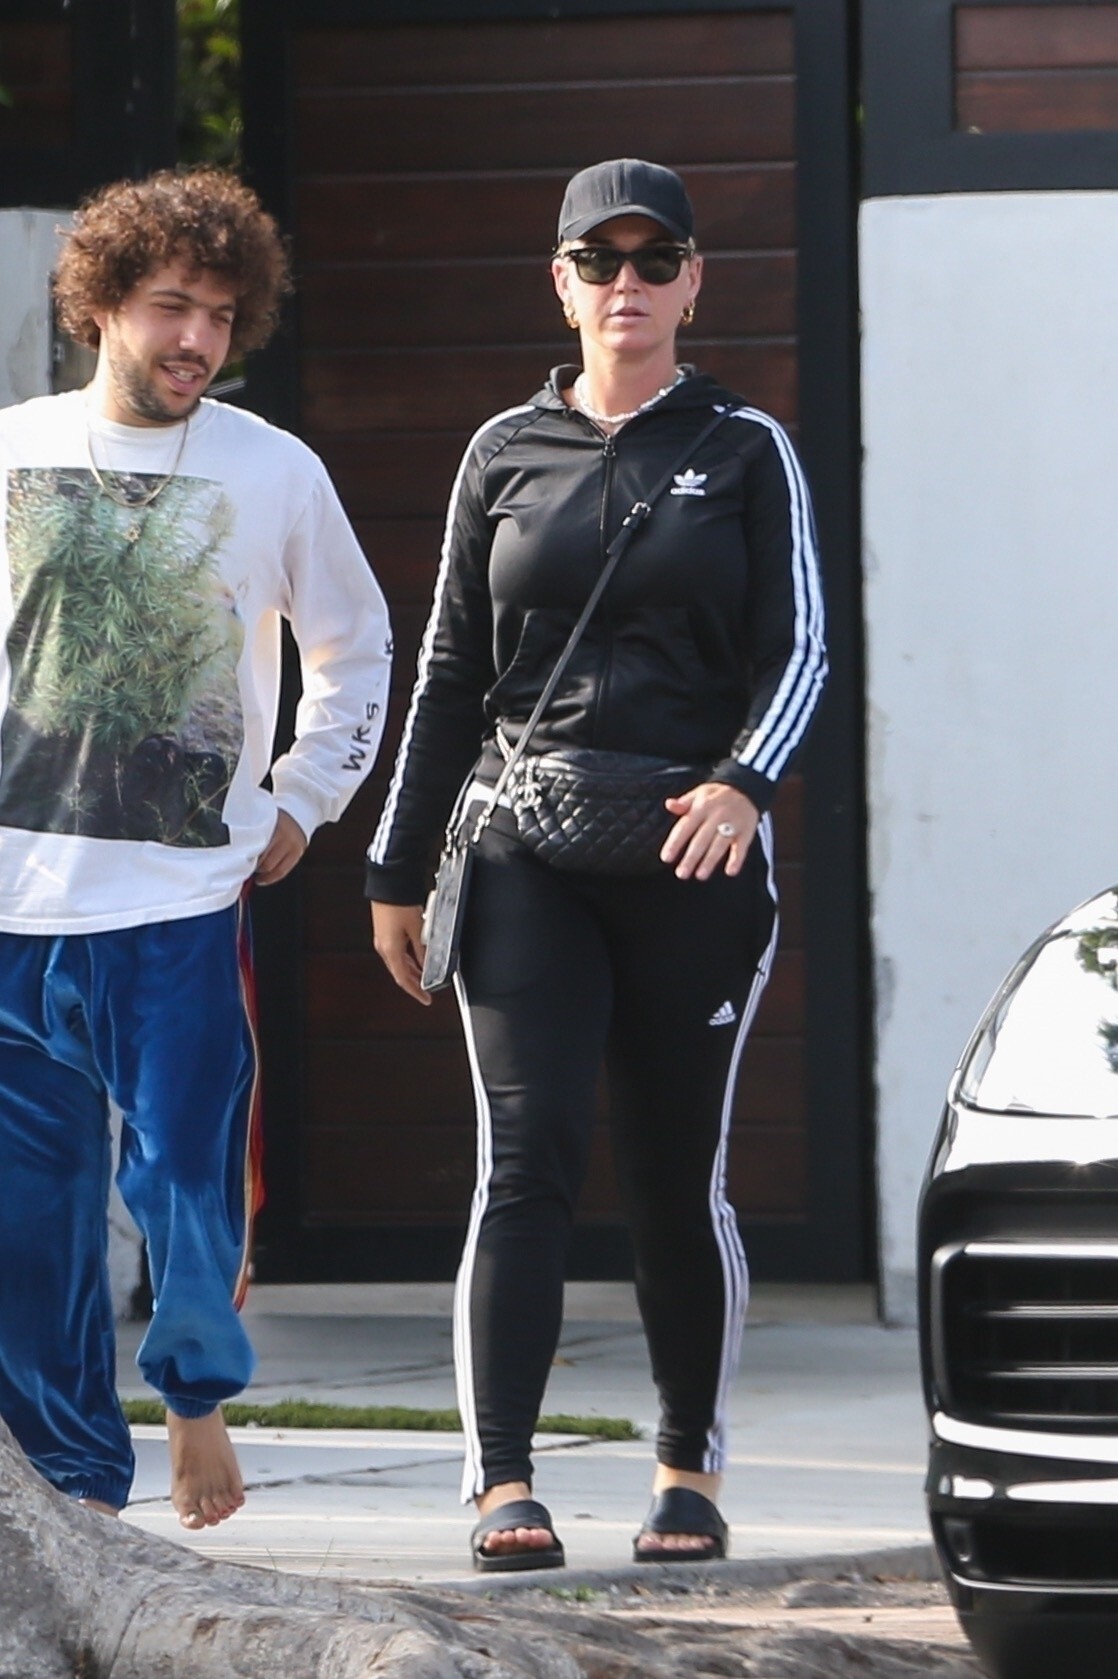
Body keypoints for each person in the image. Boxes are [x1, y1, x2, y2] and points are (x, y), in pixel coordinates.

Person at [367, 158, 826, 1571]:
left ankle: (688, 1471)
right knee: (527, 1161)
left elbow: (801, 647)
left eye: (654, 259)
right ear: (560, 284)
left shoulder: (746, 446)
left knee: (678, 1173)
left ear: (692, 283)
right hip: (525, 848)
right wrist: (395, 866)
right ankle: (502, 1481)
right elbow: (450, 669)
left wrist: (744, 781)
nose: (627, 283)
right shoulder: (502, 450)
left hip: (691, 854)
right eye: (599, 261)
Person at [0, 168, 391, 1530]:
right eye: (171, 306)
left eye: (221, 316)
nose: (197, 340)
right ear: (102, 303)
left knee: (184, 1184)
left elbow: (356, 648)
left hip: (175, 900)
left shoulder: (272, 470)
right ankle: (70, 1495)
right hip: (13, 904)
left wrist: (304, 797)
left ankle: (195, 1402)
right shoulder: (13, 450)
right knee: (28, 1220)